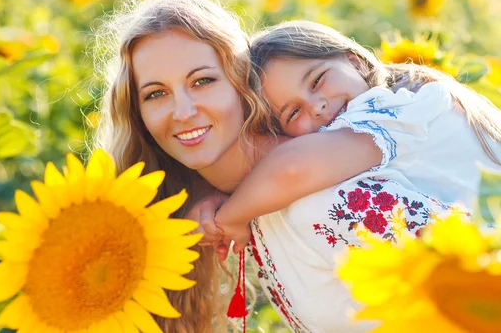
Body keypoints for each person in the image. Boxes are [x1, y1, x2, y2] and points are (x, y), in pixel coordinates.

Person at [94, 0, 467, 333]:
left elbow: (474, 277)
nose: (183, 111)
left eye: (202, 81)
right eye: (155, 94)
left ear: (245, 85)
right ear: (137, 114)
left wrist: (226, 216)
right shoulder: (247, 207)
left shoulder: (324, 198)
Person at [210, 20, 501, 253]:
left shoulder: (390, 108)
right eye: (293, 113)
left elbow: (292, 169)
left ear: (355, 62)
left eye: (317, 80)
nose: (317, 106)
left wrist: (228, 217)